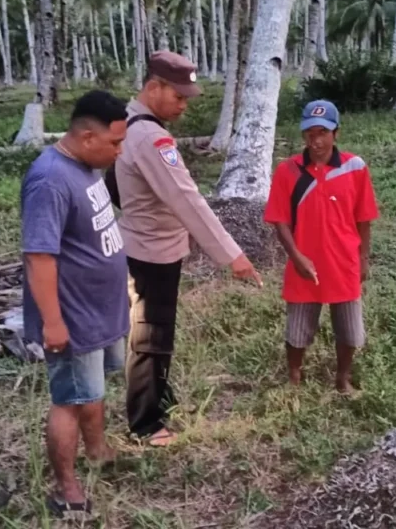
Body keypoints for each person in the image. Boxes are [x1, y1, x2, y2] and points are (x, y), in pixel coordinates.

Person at [110, 50, 263, 447]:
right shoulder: (151, 137)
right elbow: (187, 200)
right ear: (153, 87)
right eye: (178, 96)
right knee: (150, 335)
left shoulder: (126, 124)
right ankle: (145, 424)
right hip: (152, 251)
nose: (183, 104)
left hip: (139, 241)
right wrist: (232, 255)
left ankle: (159, 398)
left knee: (154, 332)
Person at [20, 90, 130, 517]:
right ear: (87, 137)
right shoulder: (50, 179)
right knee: (69, 398)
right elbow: (39, 256)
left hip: (101, 310)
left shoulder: (86, 166)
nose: (119, 152)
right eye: (115, 143)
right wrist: (53, 322)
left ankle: (98, 450)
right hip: (73, 317)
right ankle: (68, 491)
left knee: (93, 387)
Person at [263, 99, 379, 395]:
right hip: (306, 265)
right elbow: (279, 221)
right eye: (310, 133)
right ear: (303, 135)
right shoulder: (288, 171)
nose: (316, 140)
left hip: (344, 263)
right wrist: (296, 256)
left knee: (350, 331)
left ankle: (342, 379)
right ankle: (294, 378)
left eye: (323, 133)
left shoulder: (355, 167)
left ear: (335, 133)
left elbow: (364, 218)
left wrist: (363, 258)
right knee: (298, 330)